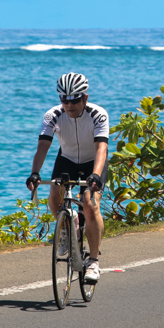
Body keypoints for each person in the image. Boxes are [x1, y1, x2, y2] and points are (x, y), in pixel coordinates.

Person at [26, 72, 109, 284]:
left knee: (91, 205)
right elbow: (43, 146)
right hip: (67, 159)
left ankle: (93, 260)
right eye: (65, 100)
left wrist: (96, 176)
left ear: (85, 98)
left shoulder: (98, 114)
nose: (69, 105)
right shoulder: (52, 115)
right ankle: (65, 228)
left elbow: (101, 149)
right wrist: (35, 172)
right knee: (54, 194)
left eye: (74, 100)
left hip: (93, 162)